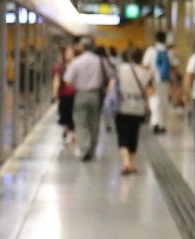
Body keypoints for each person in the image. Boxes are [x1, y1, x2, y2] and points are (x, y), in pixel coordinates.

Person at [62, 42, 110, 162]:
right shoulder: (100, 61)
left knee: (80, 122)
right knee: (94, 122)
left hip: (81, 94)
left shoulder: (76, 62)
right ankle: (93, 149)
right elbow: (109, 76)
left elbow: (67, 81)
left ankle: (84, 149)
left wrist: (76, 87)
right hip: (96, 95)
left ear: (82, 49)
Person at [110, 46, 153, 176]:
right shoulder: (147, 72)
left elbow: (112, 85)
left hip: (122, 105)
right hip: (138, 107)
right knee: (134, 134)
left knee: (122, 134)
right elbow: (150, 92)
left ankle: (126, 162)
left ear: (129, 57)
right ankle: (131, 163)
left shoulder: (121, 69)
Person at [141, 31, 176, 133]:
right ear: (165, 39)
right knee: (163, 102)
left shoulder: (150, 51)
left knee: (154, 101)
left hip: (152, 80)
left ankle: (155, 122)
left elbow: (145, 65)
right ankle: (162, 124)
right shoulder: (169, 52)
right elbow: (174, 67)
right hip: (165, 80)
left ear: (156, 39)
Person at [52, 40, 78, 149]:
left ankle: (73, 134)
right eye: (67, 52)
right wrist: (54, 92)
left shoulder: (77, 66)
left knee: (73, 115)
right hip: (64, 95)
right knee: (65, 115)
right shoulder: (60, 66)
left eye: (71, 52)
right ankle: (67, 130)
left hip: (76, 95)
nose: (69, 55)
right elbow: (56, 79)